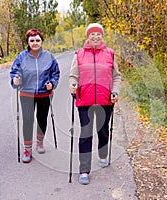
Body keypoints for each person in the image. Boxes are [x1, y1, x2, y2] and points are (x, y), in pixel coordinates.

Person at [69, 23, 121, 185]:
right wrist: (73, 85)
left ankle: (103, 154)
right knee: (85, 134)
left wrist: (115, 91)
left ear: (102, 36)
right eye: (92, 34)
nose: (95, 37)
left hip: (106, 101)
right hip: (85, 101)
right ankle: (84, 170)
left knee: (103, 130)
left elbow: (117, 76)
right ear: (88, 37)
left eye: (98, 34)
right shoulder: (79, 55)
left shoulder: (110, 54)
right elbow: (73, 76)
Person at [10, 28, 60, 163]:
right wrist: (15, 80)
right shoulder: (22, 57)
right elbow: (14, 72)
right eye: (32, 41)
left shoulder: (48, 56)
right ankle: (27, 149)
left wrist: (52, 83)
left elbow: (56, 73)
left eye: (38, 40)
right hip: (26, 93)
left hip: (44, 94)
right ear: (28, 42)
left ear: (41, 41)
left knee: (42, 119)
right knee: (27, 121)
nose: (35, 43)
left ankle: (40, 142)